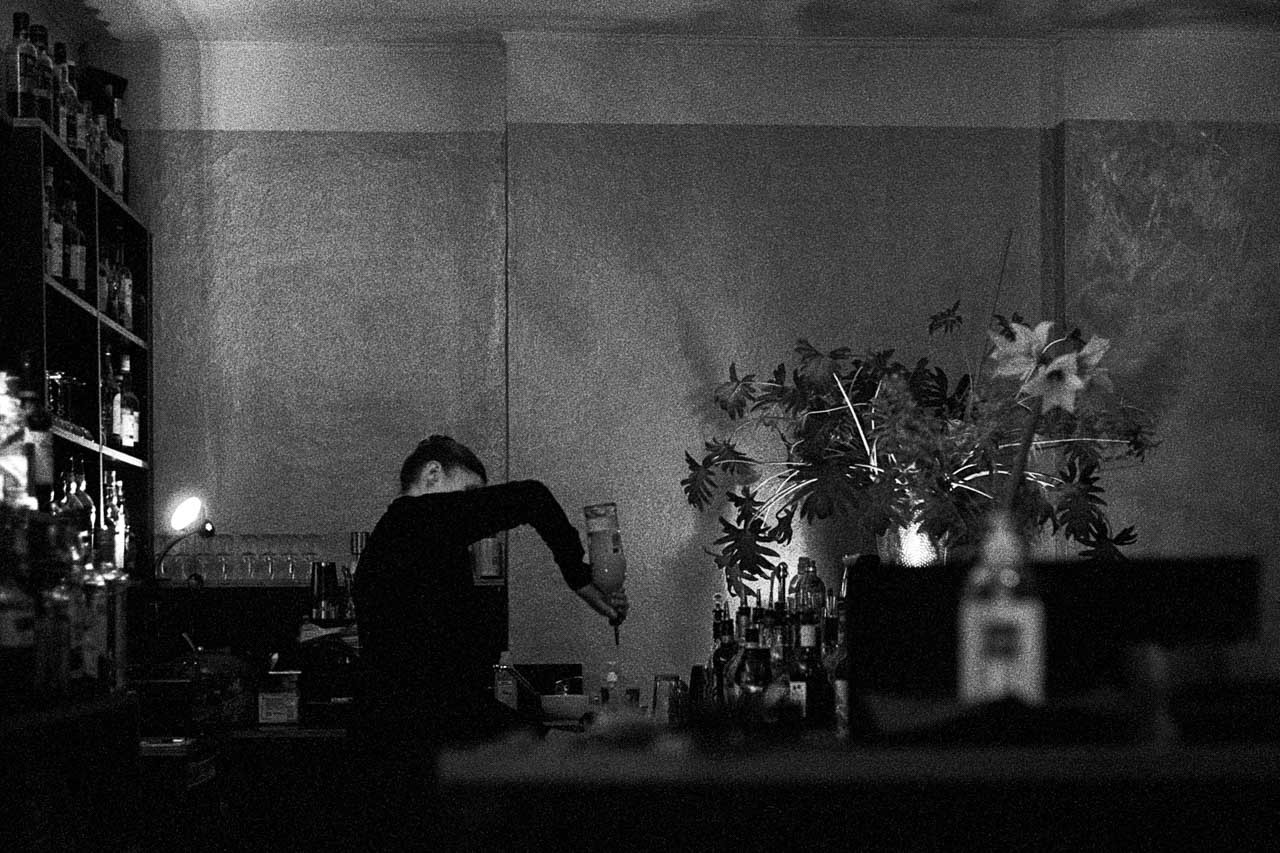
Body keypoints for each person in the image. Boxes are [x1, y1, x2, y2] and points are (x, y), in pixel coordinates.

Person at [351, 434, 629, 752]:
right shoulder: (413, 520)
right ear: (432, 474)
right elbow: (533, 497)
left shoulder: (402, 543)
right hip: (413, 734)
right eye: (469, 493)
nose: (473, 507)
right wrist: (579, 579)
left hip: (403, 727)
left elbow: (446, 685)